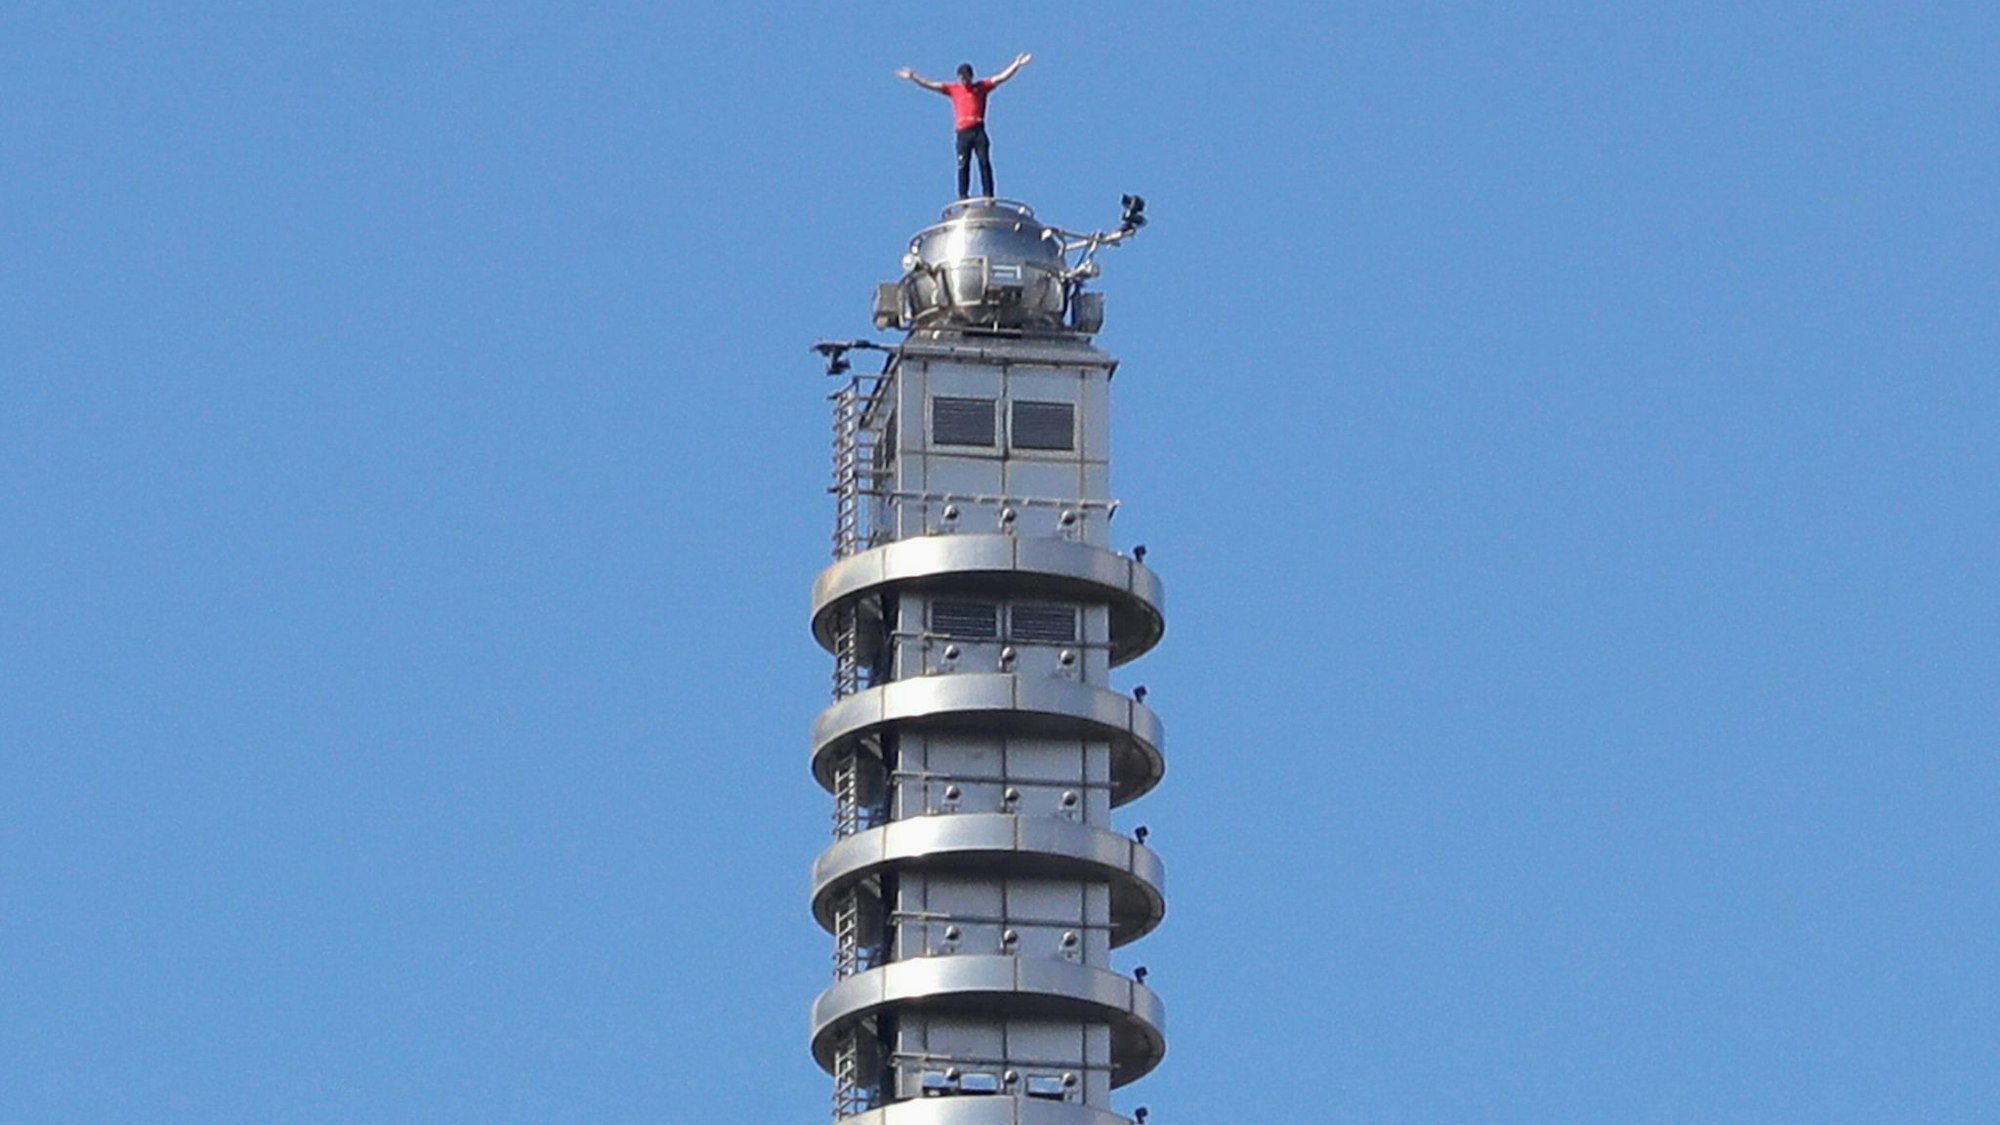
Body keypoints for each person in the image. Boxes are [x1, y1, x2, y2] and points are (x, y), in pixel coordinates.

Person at [896, 54, 1032, 199]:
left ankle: (988, 195)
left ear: (971, 76)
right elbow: (931, 85)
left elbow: (1000, 78)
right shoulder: (953, 89)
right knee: (963, 165)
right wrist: (914, 77)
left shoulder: (981, 87)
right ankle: (963, 196)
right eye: (961, 78)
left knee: (984, 161)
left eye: (966, 77)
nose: (964, 80)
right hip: (963, 133)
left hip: (978, 129)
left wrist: (1016, 65)